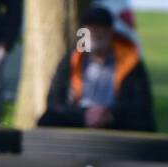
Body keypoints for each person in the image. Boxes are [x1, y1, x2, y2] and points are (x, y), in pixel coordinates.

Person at [38, 4, 155, 132]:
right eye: (90, 28)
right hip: (79, 118)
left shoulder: (131, 62)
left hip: (116, 120)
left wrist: (110, 114)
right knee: (48, 118)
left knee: (143, 121)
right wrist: (84, 114)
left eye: (101, 28)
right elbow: (55, 102)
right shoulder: (71, 60)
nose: (95, 32)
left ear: (111, 31)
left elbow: (141, 104)